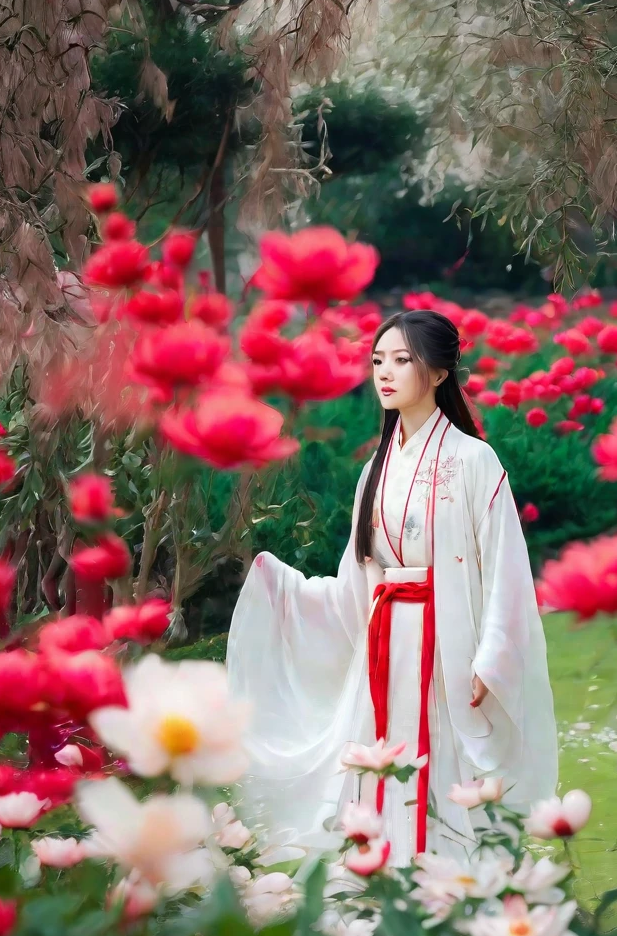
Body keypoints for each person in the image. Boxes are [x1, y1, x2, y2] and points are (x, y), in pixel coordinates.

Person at [227, 310, 557, 866]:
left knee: (443, 761)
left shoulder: (475, 460)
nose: (385, 372)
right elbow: (358, 577)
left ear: (439, 372)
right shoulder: (376, 467)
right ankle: (383, 877)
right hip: (387, 642)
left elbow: (505, 567)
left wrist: (491, 655)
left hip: (446, 642)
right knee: (383, 757)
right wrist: (289, 591)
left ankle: (444, 881)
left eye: (402, 360)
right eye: (378, 359)